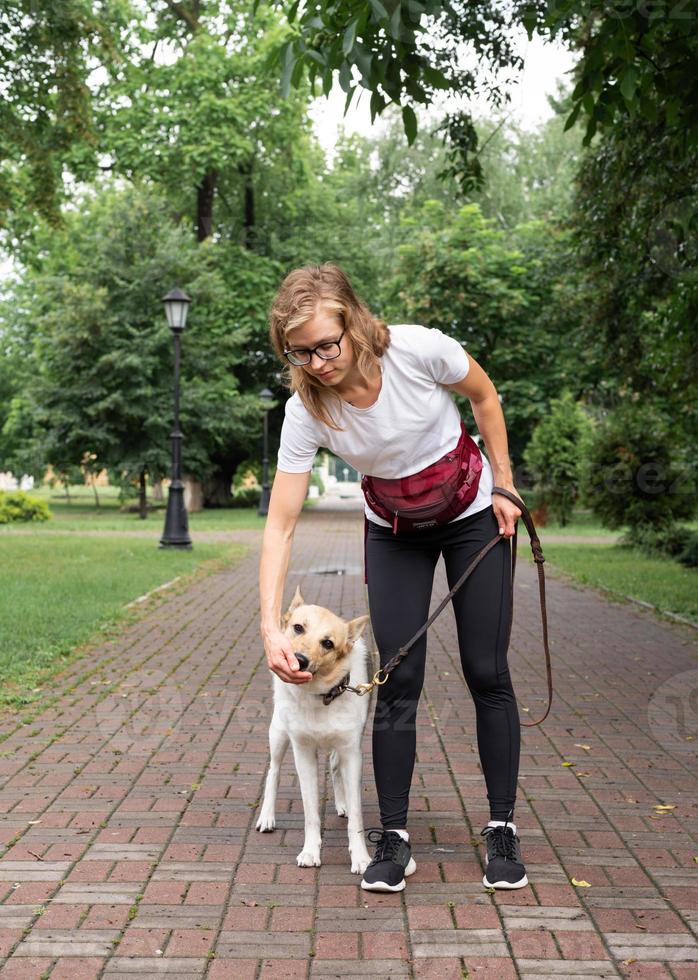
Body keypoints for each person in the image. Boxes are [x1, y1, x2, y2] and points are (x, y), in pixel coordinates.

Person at [259, 262, 528, 894]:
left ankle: (501, 827)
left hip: (470, 515)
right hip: (394, 529)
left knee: (486, 670)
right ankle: (395, 837)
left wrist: (506, 483)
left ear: (353, 323)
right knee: (397, 675)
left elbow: (484, 397)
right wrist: (270, 628)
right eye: (300, 353)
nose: (317, 361)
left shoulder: (418, 350)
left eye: (326, 344)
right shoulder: (308, 410)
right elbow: (280, 526)